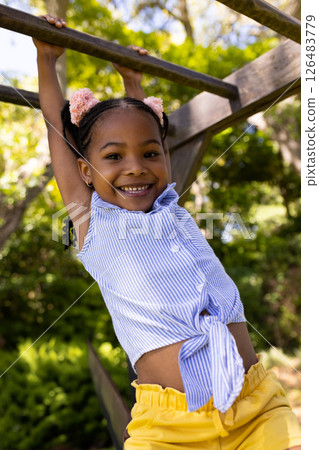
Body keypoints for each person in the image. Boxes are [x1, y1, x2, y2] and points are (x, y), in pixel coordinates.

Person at [33, 16, 301, 450]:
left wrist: (132, 80)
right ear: (85, 170)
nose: (135, 166)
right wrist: (47, 59)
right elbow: (54, 124)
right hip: (170, 426)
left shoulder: (171, 206)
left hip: (256, 405)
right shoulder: (92, 223)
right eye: (113, 156)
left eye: (150, 154)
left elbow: (149, 130)